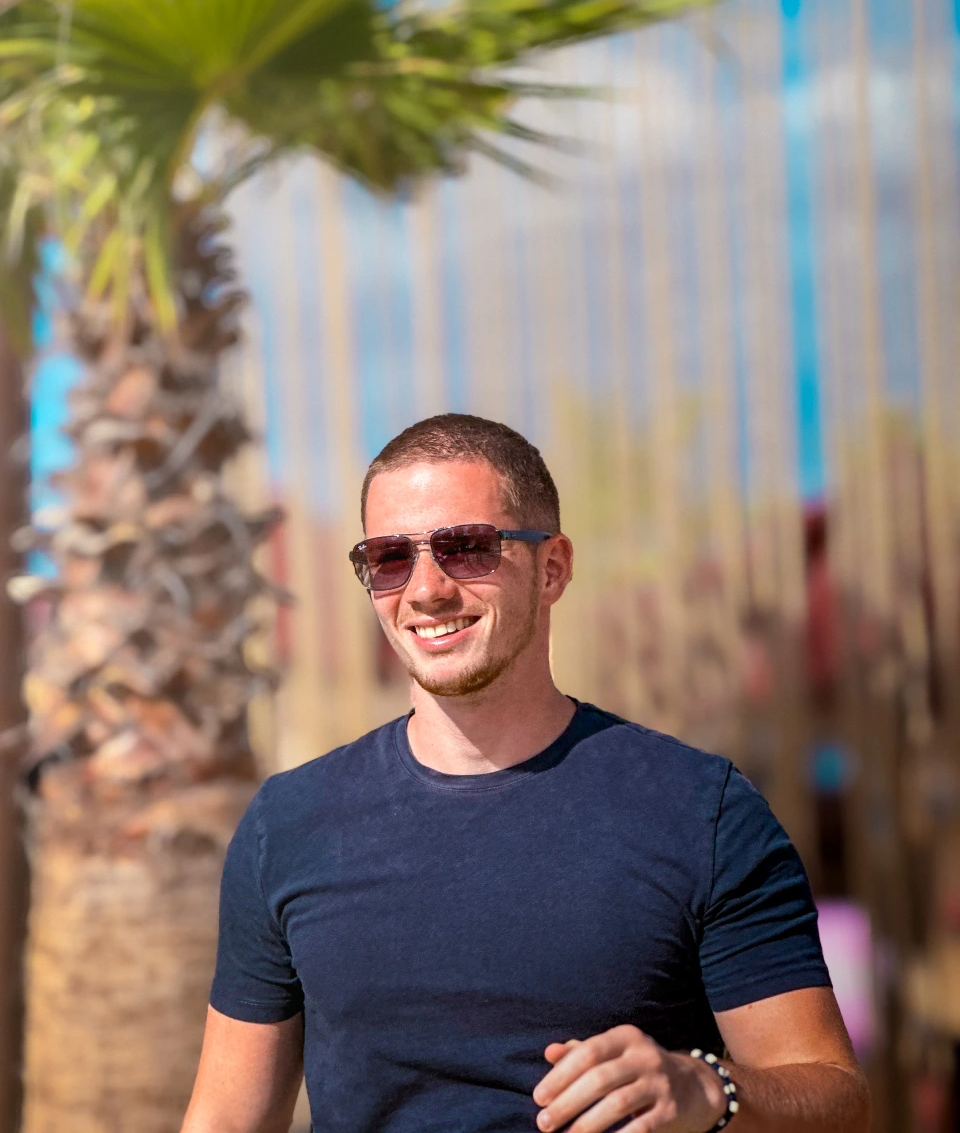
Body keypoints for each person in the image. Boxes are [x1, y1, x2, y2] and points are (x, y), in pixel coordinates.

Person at [182, 414, 870, 1133]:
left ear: (553, 569)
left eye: (467, 548)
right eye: (389, 557)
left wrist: (708, 1088)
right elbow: (227, 1118)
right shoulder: (289, 823)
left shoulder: (703, 813)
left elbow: (836, 1100)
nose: (424, 591)